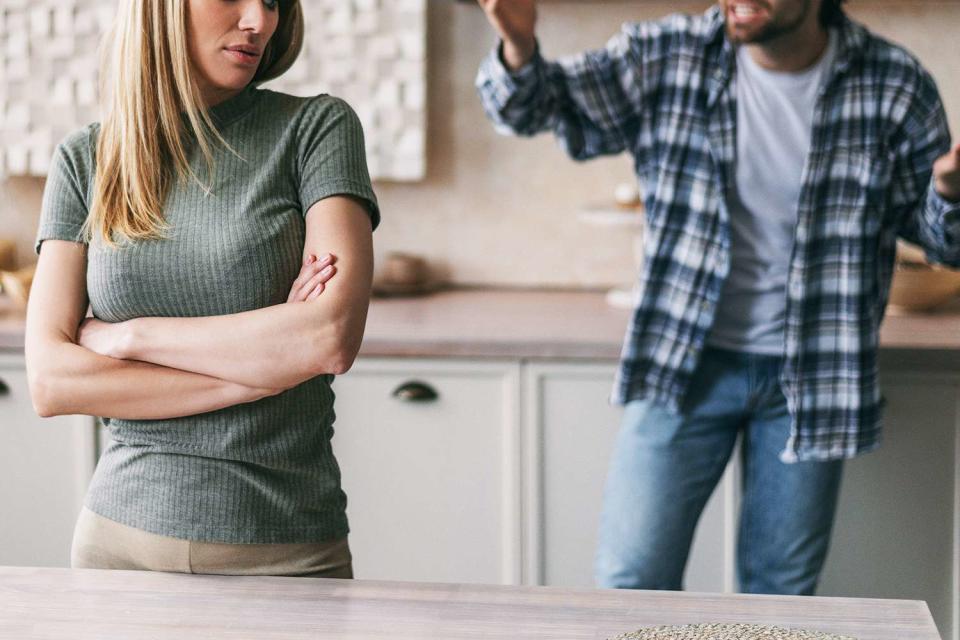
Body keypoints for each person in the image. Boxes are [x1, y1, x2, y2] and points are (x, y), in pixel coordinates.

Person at [475, 0, 960, 594]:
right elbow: (535, 107)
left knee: (781, 597)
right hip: (684, 363)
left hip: (810, 378)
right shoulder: (666, 55)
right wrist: (519, 47)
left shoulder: (893, 82)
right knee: (630, 583)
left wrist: (950, 192)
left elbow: (940, 239)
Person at [25, 0, 379, 578]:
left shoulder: (316, 129)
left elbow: (328, 338)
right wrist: (262, 368)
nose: (260, 22)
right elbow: (51, 380)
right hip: (116, 548)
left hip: (285, 552)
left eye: (273, 3)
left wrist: (129, 338)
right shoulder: (85, 159)